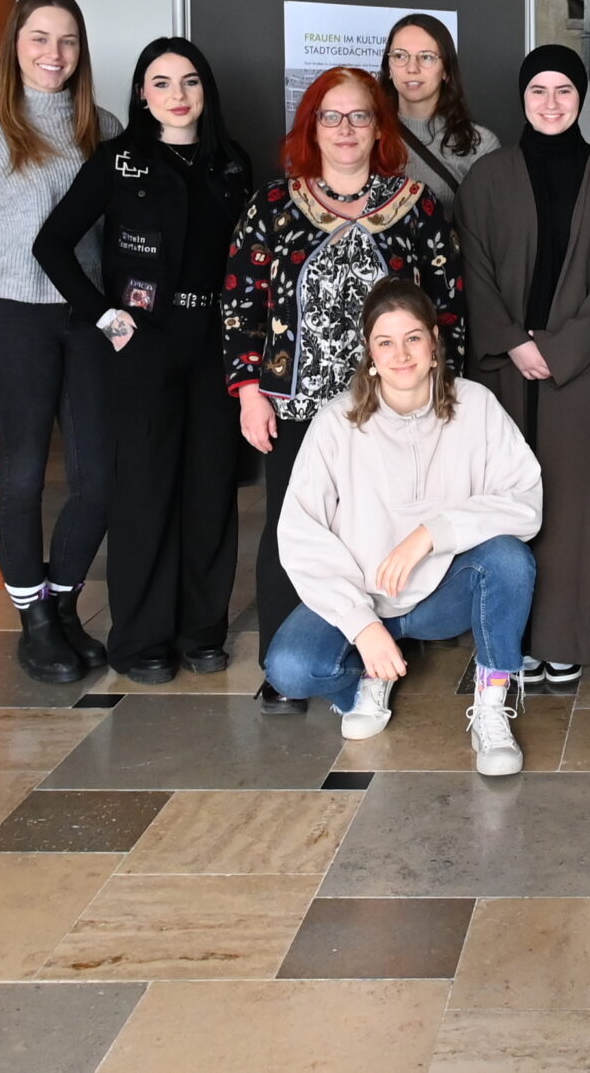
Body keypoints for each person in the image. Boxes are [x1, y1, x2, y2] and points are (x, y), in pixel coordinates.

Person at [222, 65, 463, 714]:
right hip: (295, 406)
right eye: (332, 116)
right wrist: (248, 389)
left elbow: (447, 310)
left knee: (382, 531)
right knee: (292, 531)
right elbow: (240, 300)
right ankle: (285, 661)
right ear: (312, 127)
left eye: (360, 115)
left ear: (380, 126)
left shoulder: (416, 206)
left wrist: (442, 403)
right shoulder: (273, 207)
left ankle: (375, 658)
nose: (346, 128)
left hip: (391, 410)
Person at [33, 38, 252, 683]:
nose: (177, 96)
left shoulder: (231, 164)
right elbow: (52, 244)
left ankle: (202, 631)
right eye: (161, 83)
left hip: (216, 341)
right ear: (141, 94)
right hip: (144, 347)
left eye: (189, 81)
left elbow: (250, 259)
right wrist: (106, 317)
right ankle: (141, 641)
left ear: (205, 90)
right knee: (145, 493)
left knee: (211, 491)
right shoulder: (118, 159)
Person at [0, 0, 124, 683]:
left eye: (68, 40)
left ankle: (64, 601)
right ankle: (33, 619)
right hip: (9, 312)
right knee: (21, 471)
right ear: (16, 44)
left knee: (99, 476)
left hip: (86, 315)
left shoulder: (102, 125)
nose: (54, 54)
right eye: (40, 38)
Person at [266, 278, 542, 775]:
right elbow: (299, 534)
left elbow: (525, 501)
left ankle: (492, 703)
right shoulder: (336, 423)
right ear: (369, 352)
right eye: (385, 342)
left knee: (509, 559)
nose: (401, 354)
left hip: (442, 596)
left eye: (413, 337)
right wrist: (362, 624)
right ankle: (372, 676)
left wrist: (433, 532)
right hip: (362, 596)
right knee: (289, 667)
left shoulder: (475, 405)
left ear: (434, 342)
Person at [459, 45, 590, 683]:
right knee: (507, 500)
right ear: (522, 98)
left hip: (586, 366)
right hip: (505, 366)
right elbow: (473, 269)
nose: (551, 103)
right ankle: (516, 638)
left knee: (579, 501)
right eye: (538, 90)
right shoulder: (487, 176)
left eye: (564, 90)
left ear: (581, 98)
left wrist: (559, 350)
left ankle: (568, 636)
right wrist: (513, 340)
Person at [380, 13, 498, 210]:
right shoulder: (365, 133)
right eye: (400, 55)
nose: (412, 68)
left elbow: (488, 224)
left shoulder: (479, 144)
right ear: (389, 68)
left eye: (426, 57)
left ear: (446, 70)